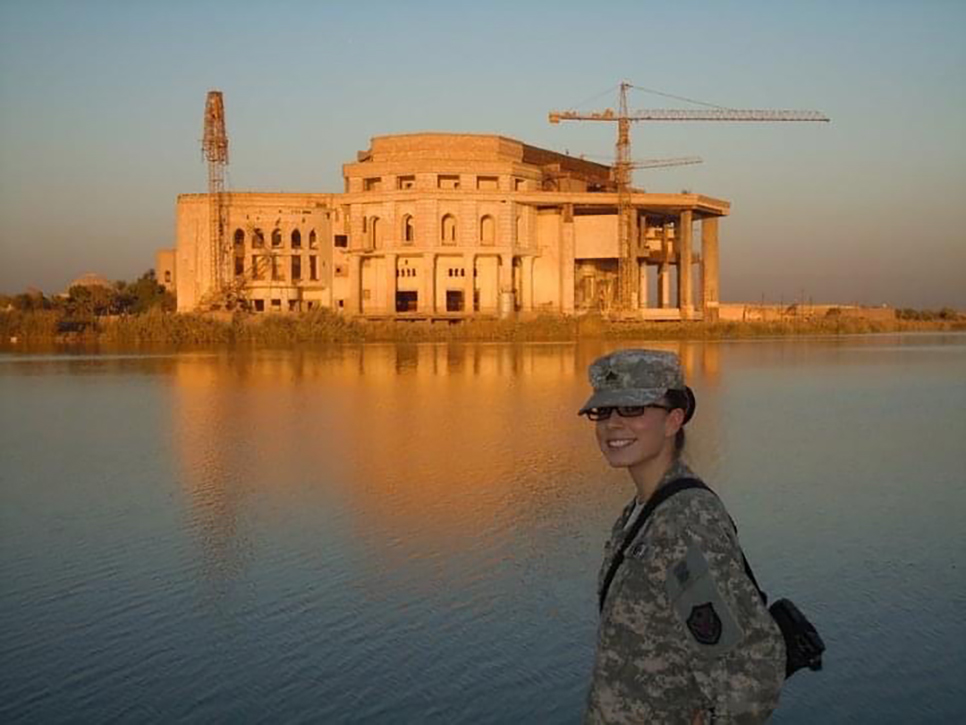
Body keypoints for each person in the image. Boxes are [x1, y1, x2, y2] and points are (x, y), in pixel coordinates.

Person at [578, 349, 785, 724]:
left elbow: (753, 670)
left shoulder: (684, 522)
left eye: (632, 409)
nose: (612, 424)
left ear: (674, 420)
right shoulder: (643, 511)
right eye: (603, 412)